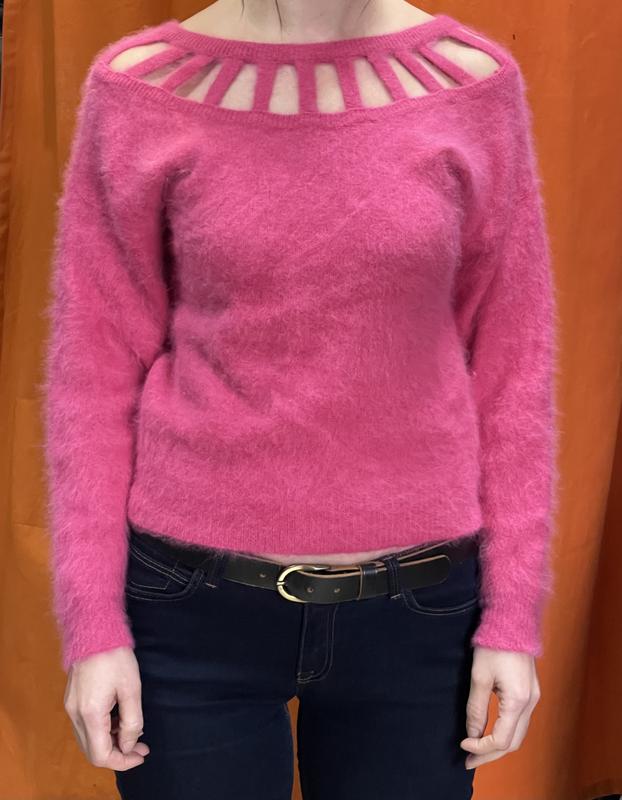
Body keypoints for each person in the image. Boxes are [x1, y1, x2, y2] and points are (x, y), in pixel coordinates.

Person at [41, 0, 560, 797]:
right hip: (190, 611)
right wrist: (93, 626)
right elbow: (92, 369)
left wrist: (513, 618)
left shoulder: (473, 85)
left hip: (418, 617)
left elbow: (514, 367)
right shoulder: (140, 89)